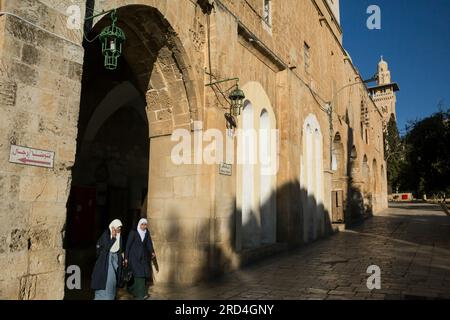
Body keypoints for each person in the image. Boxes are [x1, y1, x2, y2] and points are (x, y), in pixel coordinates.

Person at [91, 219, 124, 300]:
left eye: (120, 228)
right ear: (113, 227)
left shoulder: (120, 237)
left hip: (114, 262)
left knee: (112, 283)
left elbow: (120, 250)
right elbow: (106, 248)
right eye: (117, 228)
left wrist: (122, 259)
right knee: (105, 283)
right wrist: (113, 238)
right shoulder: (106, 235)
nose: (119, 230)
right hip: (105, 263)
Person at [125, 218, 156, 300]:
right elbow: (128, 245)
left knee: (143, 273)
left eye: (145, 224)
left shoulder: (146, 233)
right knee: (139, 274)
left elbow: (149, 243)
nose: (144, 226)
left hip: (143, 257)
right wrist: (126, 258)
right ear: (139, 224)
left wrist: (152, 252)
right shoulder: (134, 232)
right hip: (133, 257)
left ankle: (132, 290)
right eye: (142, 224)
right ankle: (141, 294)